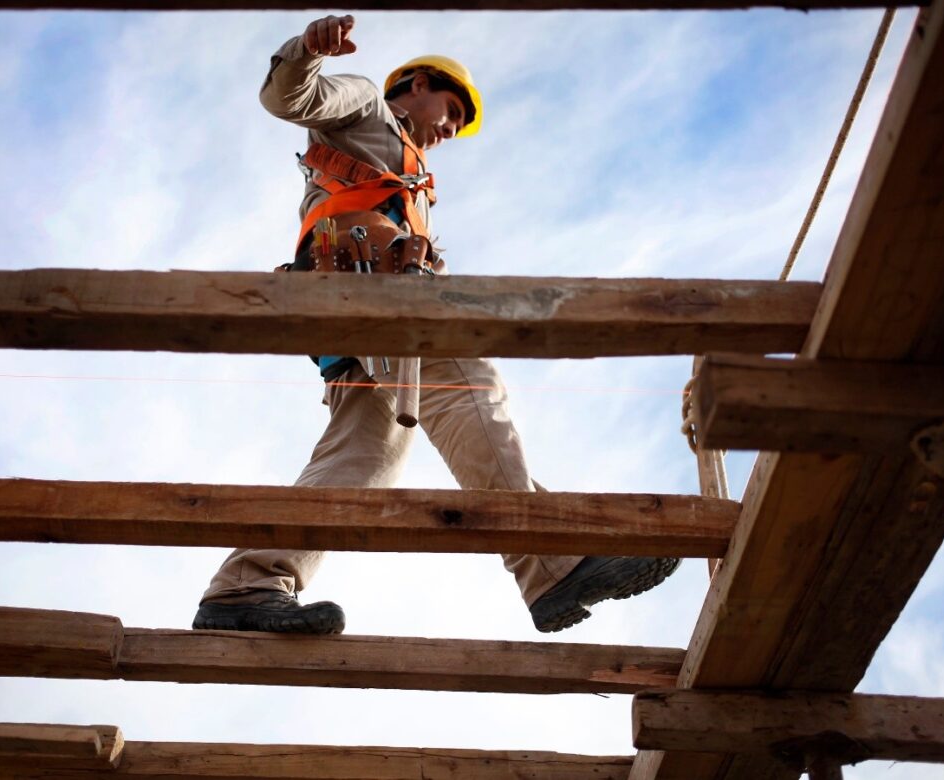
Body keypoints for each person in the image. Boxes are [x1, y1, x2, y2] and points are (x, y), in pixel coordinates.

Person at [193, 14, 678, 635]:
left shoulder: (413, 175)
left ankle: (246, 587)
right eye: (451, 109)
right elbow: (291, 96)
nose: (451, 128)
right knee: (469, 382)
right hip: (371, 293)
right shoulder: (367, 105)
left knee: (366, 461)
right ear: (416, 85)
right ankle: (549, 562)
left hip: (355, 313)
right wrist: (306, 53)